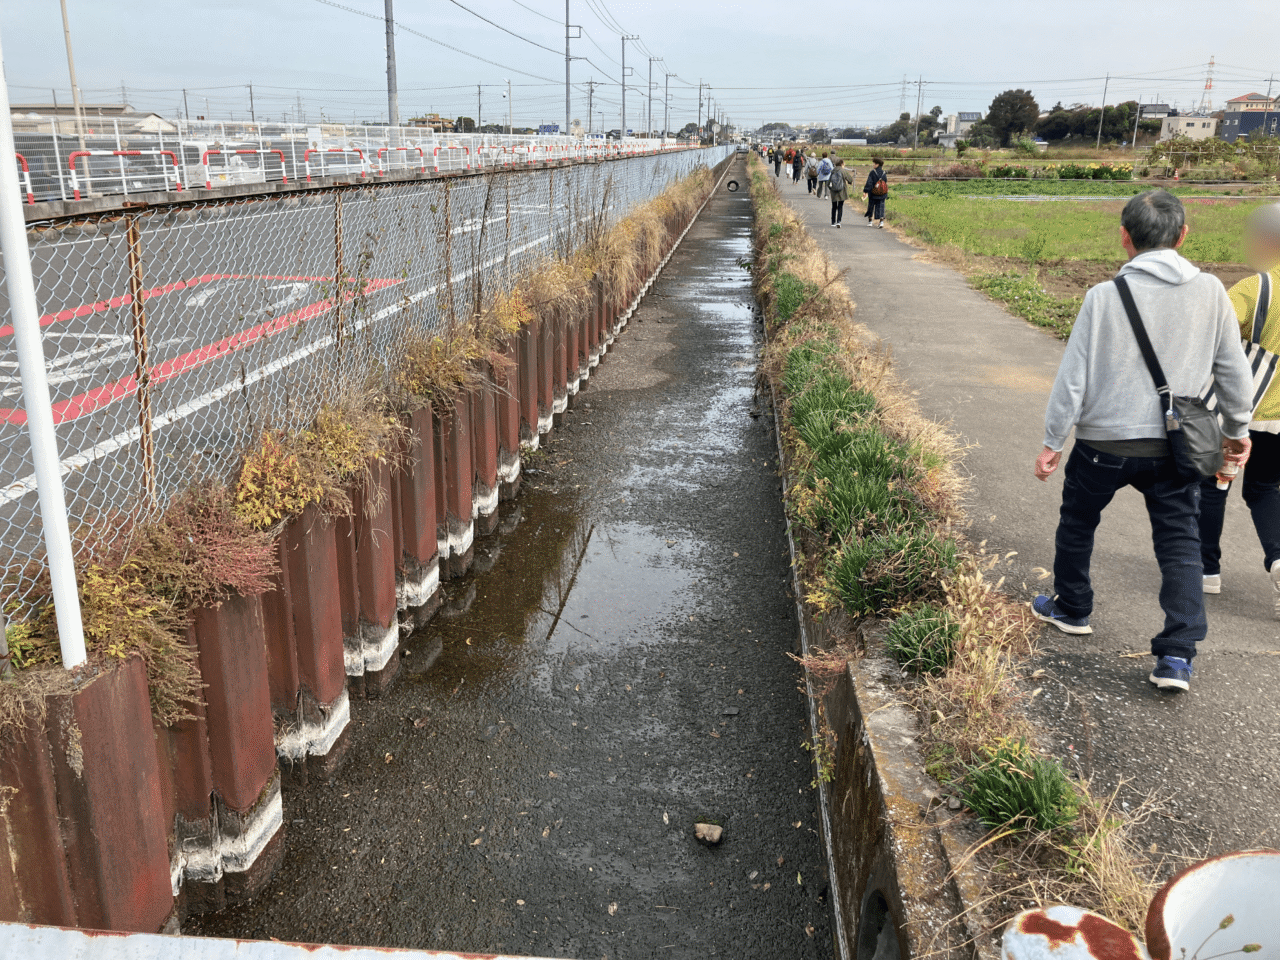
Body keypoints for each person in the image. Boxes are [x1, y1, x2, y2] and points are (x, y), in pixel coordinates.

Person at [1033, 190, 1254, 693]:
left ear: (1125, 238)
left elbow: (1073, 379)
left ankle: (1072, 607)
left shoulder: (1104, 296)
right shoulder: (1212, 292)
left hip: (1101, 445)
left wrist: (1053, 440)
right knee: (1180, 543)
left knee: (1078, 522)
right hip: (1176, 448)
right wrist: (1236, 433)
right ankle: (1176, 655)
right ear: (1183, 236)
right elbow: (1232, 373)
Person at [1198, 202, 1280, 613]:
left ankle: (1206, 570)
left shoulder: (1256, 288)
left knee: (1215, 484)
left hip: (1245, 413)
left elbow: (1216, 336)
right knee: (1266, 490)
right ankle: (1279, 557)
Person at [828, 158, 855, 228]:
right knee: (840, 206)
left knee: (834, 206)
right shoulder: (843, 171)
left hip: (834, 191)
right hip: (841, 191)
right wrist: (849, 182)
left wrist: (831, 189)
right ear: (841, 164)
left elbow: (828, 183)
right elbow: (850, 179)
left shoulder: (833, 171)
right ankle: (838, 221)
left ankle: (833, 222)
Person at [864, 158, 887, 227]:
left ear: (877, 164)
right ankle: (881, 222)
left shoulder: (872, 172)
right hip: (882, 193)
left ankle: (870, 221)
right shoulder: (884, 173)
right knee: (881, 207)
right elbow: (885, 182)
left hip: (873, 193)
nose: (873, 165)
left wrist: (865, 191)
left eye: (874, 163)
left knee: (871, 207)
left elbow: (869, 182)